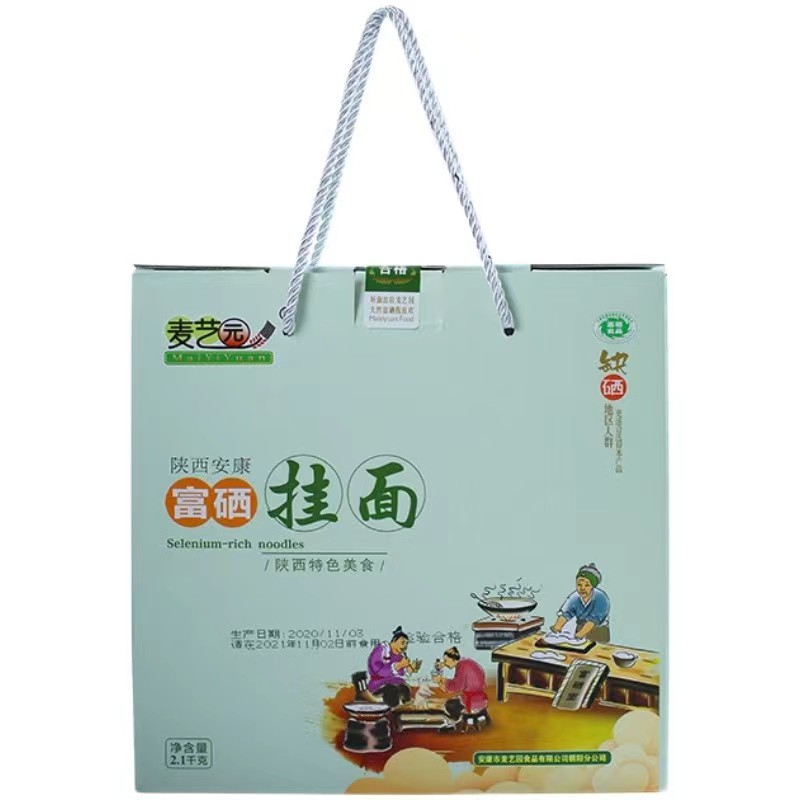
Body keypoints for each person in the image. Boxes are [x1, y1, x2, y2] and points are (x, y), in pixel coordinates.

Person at [551, 562, 611, 642]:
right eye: (579, 584)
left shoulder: (601, 598)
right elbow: (566, 613)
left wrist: (579, 636)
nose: (582, 588)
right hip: (580, 628)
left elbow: (593, 620)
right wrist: (557, 627)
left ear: (592, 586)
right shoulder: (574, 597)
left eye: (587, 585)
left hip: (598, 631)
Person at [433, 647, 489, 731]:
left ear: (453, 659)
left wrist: (442, 680)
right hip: (480, 698)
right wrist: (444, 666)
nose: (444, 663)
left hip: (473, 701)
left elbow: (456, 687)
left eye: (445, 660)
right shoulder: (465, 662)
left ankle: (453, 725)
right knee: (456, 699)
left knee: (449, 704)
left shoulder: (462, 667)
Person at [365, 626, 419, 707]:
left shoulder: (399, 656)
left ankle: (404, 708)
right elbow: (377, 670)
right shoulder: (382, 650)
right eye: (403, 643)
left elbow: (400, 673)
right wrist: (398, 665)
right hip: (378, 685)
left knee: (405, 688)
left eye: (406, 644)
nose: (405, 646)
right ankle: (391, 709)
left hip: (394, 683)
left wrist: (410, 669)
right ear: (394, 640)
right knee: (392, 690)